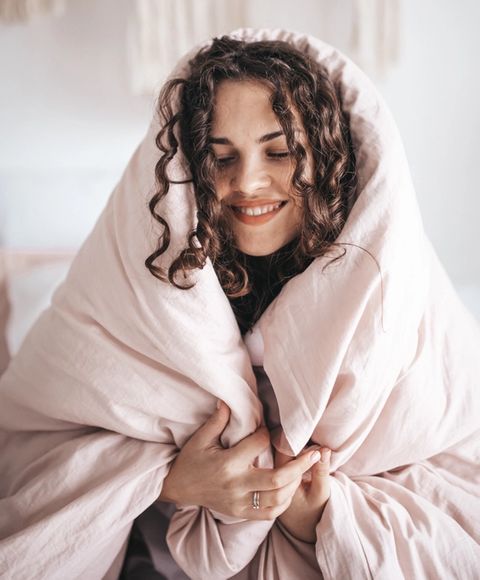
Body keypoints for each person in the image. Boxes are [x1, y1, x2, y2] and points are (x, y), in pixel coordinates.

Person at [0, 29, 479, 580]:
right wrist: (172, 483)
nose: (247, 182)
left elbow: (456, 470)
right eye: (219, 158)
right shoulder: (130, 283)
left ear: (326, 158)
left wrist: (323, 518)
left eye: (279, 152)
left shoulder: (393, 281)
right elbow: (36, 455)